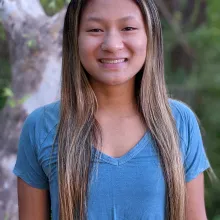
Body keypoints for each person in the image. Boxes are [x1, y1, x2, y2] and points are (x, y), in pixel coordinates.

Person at [13, 0, 211, 219]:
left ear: (149, 35)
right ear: (74, 38)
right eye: (95, 29)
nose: (112, 44)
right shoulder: (40, 127)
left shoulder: (180, 122)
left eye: (128, 28)